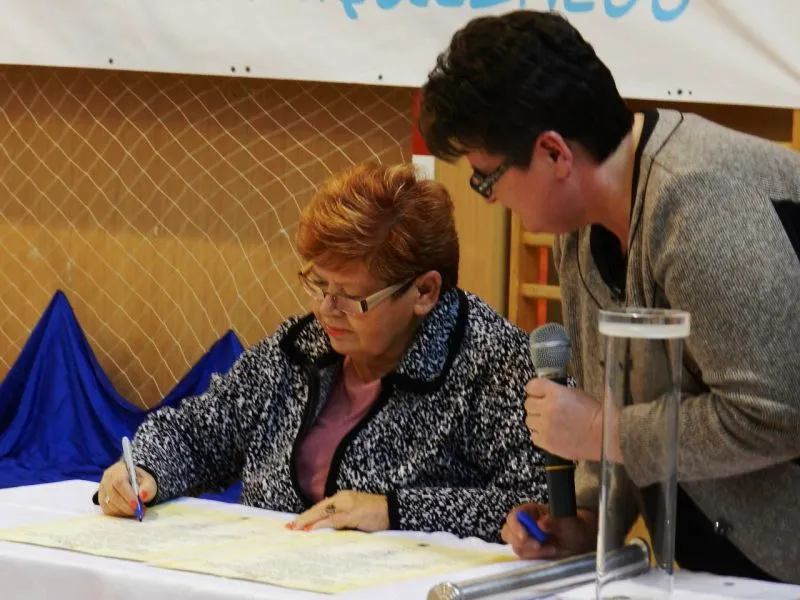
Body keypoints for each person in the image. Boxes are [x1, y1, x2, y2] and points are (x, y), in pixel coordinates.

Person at [418, 9, 800, 583]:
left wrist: (604, 430)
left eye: (486, 176)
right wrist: (588, 520)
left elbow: (775, 415)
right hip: (714, 570)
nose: (488, 197)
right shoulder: (580, 222)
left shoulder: (701, 203)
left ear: (554, 154)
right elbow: (615, 393)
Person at [94, 162, 548, 542]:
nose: (325, 309)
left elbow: (538, 508)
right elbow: (200, 431)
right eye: (317, 283)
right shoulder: (303, 346)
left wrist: (391, 510)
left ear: (424, 292)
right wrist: (144, 470)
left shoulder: (493, 362)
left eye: (350, 295)